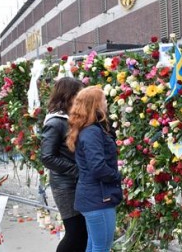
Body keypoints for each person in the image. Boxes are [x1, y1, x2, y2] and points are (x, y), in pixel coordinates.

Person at [66, 86, 121, 252]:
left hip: (92, 197)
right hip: (98, 198)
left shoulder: (87, 130)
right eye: (103, 100)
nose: (106, 103)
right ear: (95, 104)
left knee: (93, 245)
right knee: (101, 247)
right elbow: (98, 167)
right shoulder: (92, 132)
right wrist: (117, 175)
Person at [40, 77, 86, 252]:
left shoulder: (67, 119)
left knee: (81, 232)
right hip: (65, 186)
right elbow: (47, 157)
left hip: (74, 182)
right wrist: (78, 170)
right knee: (74, 232)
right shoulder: (55, 122)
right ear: (68, 95)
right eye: (78, 94)